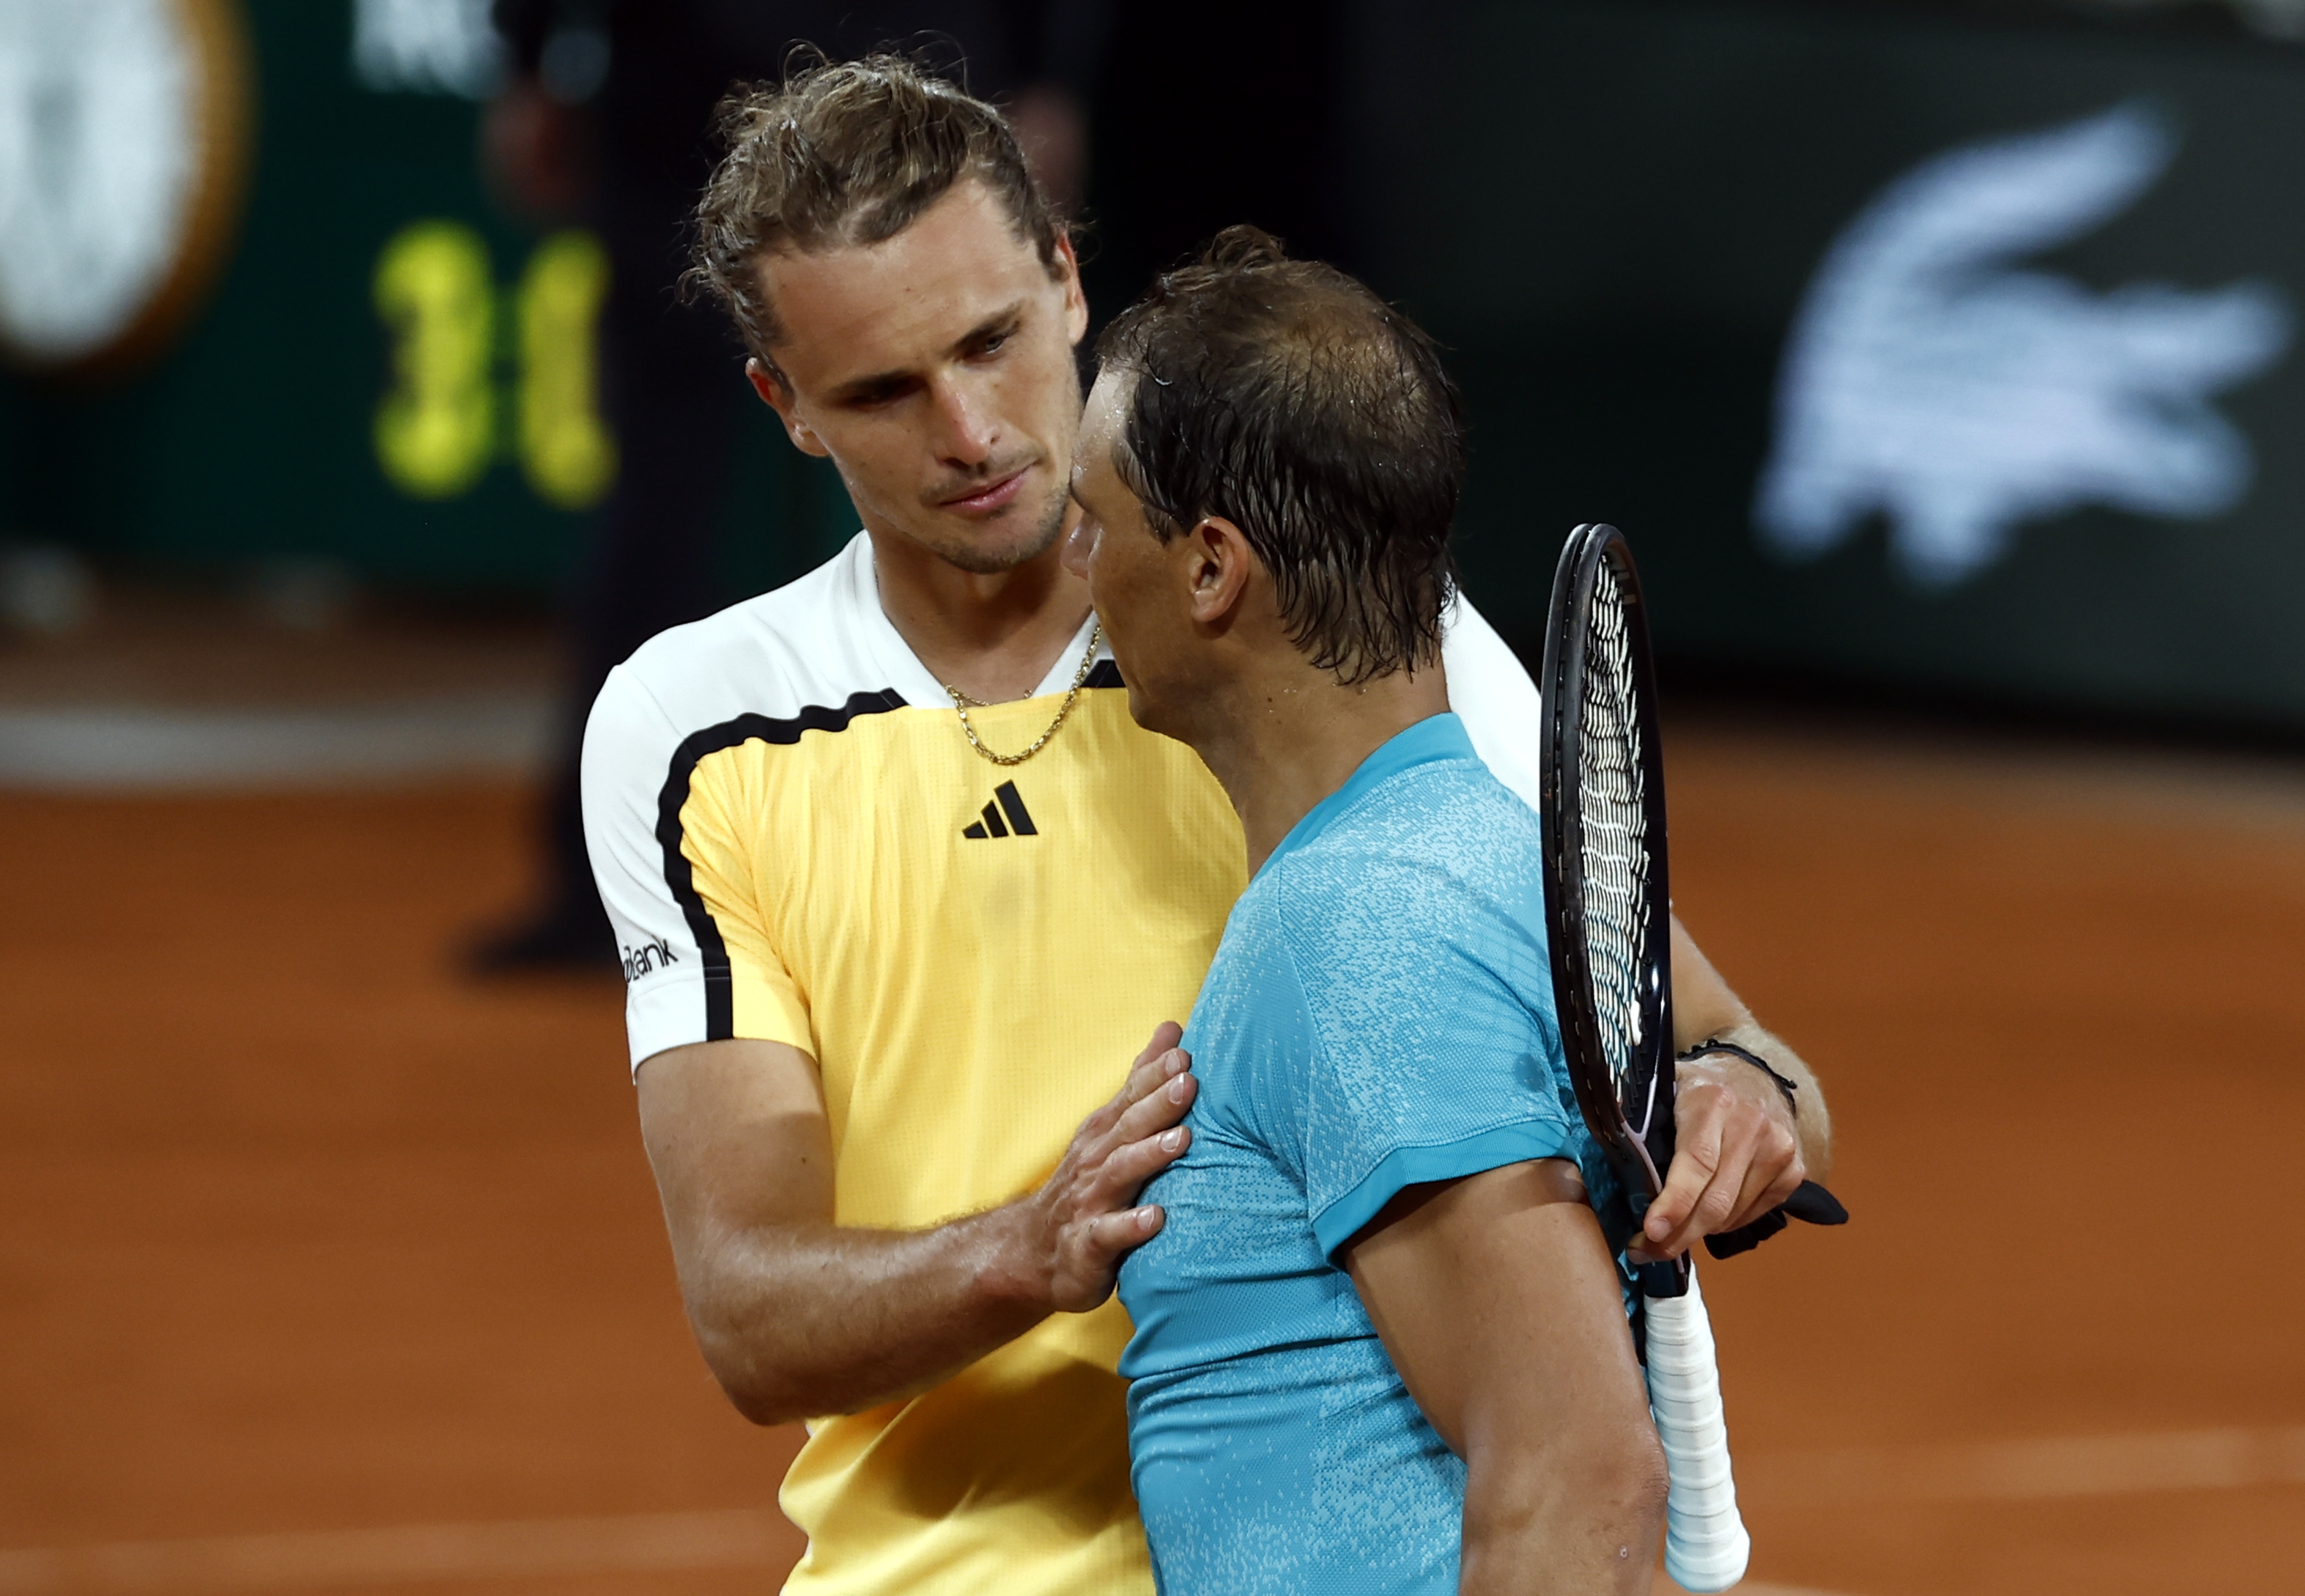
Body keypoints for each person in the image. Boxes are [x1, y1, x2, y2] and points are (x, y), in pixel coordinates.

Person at [580, 53, 1828, 1596]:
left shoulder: (1311, 635)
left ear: (1065, 281)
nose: (971, 432)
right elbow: (752, 1318)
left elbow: (1717, 1045)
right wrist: (1028, 1250)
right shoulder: (696, 730)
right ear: (786, 409)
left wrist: (1742, 1103)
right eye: (886, 391)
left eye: (992, 340)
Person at [1072, 229, 1684, 1594]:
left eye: (1094, 519)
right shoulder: (1479, 857)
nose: (1077, 568)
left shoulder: (1356, 926)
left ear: (1211, 568)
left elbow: (1574, 1477)